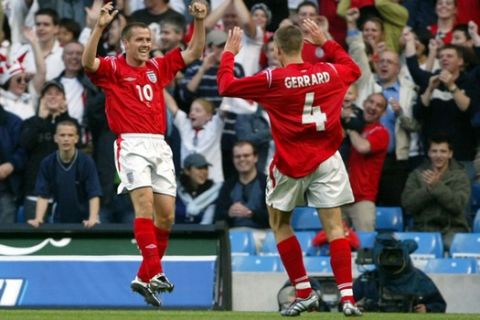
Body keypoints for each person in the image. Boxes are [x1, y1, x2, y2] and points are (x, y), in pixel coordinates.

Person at [217, 20, 362, 316]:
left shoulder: (274, 78)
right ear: (305, 47)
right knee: (335, 227)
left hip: (290, 162)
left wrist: (229, 54)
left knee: (280, 224)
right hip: (327, 159)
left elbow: (226, 86)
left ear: (278, 50)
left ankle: (304, 290)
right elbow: (354, 68)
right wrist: (326, 41)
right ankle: (347, 298)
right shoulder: (330, 72)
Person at [81, 1, 207, 307]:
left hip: (159, 145)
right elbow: (88, 63)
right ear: (126, 43)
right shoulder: (113, 67)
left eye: (148, 41)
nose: (146, 45)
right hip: (131, 144)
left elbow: (193, 52)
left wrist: (199, 22)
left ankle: (143, 276)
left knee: (166, 215)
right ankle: (158, 271)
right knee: (145, 205)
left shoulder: (157, 67)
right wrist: (99, 27)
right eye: (140, 40)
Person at [27, 119, 102, 227]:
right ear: (55, 138)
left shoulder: (87, 162)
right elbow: (43, 194)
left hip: (85, 222)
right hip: (59, 220)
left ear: (76, 138)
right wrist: (38, 219)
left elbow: (94, 193)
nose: (66, 139)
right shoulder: (47, 163)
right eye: (62, 135)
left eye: (70, 135)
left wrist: (93, 218)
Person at [401, 135, 470, 250]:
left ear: (450, 154)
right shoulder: (417, 174)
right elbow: (408, 205)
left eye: (443, 151)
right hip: (423, 230)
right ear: (428, 153)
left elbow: (457, 205)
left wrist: (437, 186)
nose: (438, 155)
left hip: (453, 230)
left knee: (451, 246)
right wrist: (428, 190)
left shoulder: (461, 176)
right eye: (434, 151)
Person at [20, 80, 74, 221]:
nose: (53, 97)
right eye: (48, 94)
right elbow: (25, 144)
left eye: (57, 94)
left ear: (64, 99)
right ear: (41, 99)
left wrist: (63, 116)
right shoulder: (31, 122)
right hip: (35, 192)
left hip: (63, 192)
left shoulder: (72, 123)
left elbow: (74, 152)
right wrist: (41, 119)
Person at [353, 233, 447, 313]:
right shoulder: (367, 280)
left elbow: (440, 305)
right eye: (386, 256)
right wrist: (355, 307)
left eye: (394, 256)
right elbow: (344, 305)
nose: (391, 260)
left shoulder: (419, 279)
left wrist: (427, 309)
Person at [343, 93, 389, 232]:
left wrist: (350, 128)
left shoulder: (381, 132)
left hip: (363, 200)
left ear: (383, 112)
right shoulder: (356, 126)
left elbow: (362, 147)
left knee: (365, 248)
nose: (373, 107)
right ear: (364, 103)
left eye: (379, 106)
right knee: (335, 247)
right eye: (371, 102)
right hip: (340, 198)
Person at [214, 140, 269, 251]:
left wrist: (251, 214)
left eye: (246, 155)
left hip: (262, 233)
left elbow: (276, 218)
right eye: (237, 157)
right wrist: (229, 213)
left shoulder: (267, 183)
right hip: (233, 233)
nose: (242, 159)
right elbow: (217, 217)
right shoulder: (228, 185)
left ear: (255, 158)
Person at [175, 153, 222, 224]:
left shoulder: (214, 193)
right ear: (187, 171)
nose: (204, 172)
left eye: (205, 168)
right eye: (199, 168)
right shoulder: (175, 191)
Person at [0, 103, 25, 223]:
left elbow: (24, 150)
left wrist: (11, 165)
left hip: (6, 189)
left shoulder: (14, 122)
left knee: (5, 236)